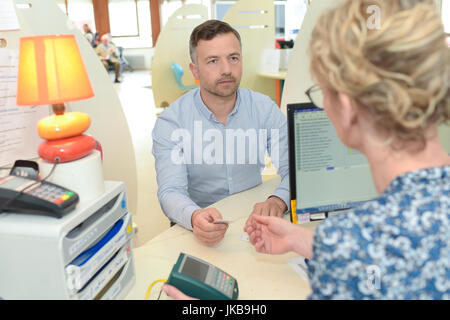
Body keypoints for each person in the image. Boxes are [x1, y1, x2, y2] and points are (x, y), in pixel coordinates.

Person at [164, 0, 450, 300]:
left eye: (323, 92)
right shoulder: (383, 232)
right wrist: (309, 240)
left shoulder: (364, 239)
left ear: (347, 108)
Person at [152, 20, 289, 247]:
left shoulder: (264, 108)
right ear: (195, 70)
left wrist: (278, 199)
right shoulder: (172, 122)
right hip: (199, 226)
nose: (226, 69)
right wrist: (194, 216)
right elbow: (170, 191)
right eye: (213, 61)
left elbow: (293, 168)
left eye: (233, 58)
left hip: (253, 224)